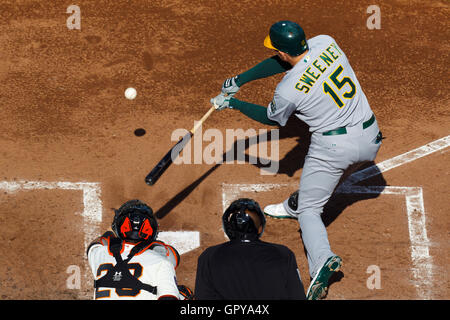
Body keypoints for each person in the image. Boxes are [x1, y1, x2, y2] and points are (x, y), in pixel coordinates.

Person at [211, 20, 382, 300]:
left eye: (277, 51)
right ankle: (295, 204)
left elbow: (271, 117)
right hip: (370, 137)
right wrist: (240, 80)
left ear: (282, 52)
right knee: (323, 183)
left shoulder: (288, 90)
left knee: (310, 211)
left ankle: (321, 262)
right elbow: (287, 60)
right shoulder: (326, 40)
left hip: (335, 148)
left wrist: (233, 103)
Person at [194, 198, 306, 300]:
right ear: (260, 228)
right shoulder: (283, 254)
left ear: (228, 228)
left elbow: (203, 297)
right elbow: (297, 296)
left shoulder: (209, 256)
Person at [87, 199, 193, 300]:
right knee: (184, 294)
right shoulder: (162, 262)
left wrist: (113, 227)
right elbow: (172, 256)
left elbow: (97, 242)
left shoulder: (99, 254)